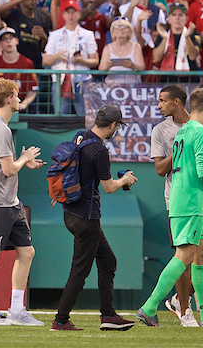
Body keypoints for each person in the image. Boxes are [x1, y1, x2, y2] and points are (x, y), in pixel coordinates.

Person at [136, 88, 203, 328]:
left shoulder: (183, 131)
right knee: (184, 256)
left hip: (187, 199)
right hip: (190, 201)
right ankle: (149, 307)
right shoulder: (201, 131)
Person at [53, 103, 138, 332]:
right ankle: (60, 321)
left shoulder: (80, 136)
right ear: (112, 125)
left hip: (70, 212)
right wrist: (125, 180)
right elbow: (109, 187)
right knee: (79, 270)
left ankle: (108, 316)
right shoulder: (99, 151)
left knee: (108, 261)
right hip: (87, 218)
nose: (117, 131)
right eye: (117, 127)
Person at [0, 77, 44, 326]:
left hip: (11, 203)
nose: (19, 98)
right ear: (7, 99)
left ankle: (16, 310)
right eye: (16, 95)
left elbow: (9, 167)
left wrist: (25, 162)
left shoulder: (0, 126)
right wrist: (24, 158)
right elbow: (9, 169)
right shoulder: (0, 129)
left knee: (27, 252)